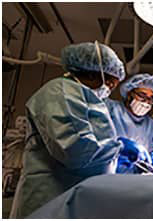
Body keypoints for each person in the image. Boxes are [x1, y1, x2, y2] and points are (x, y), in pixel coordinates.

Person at [10, 41, 125, 218]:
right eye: (110, 83)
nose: (109, 89)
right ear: (95, 75)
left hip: (72, 198)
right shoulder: (60, 92)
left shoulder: (84, 97)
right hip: (49, 200)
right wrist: (119, 149)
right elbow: (75, 151)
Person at [3, 116, 28, 197]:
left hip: (20, 157)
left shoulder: (26, 135)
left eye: (24, 121)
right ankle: (4, 188)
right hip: (11, 157)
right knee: (9, 173)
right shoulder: (10, 133)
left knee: (18, 174)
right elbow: (8, 137)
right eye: (20, 121)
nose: (22, 124)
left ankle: (13, 188)